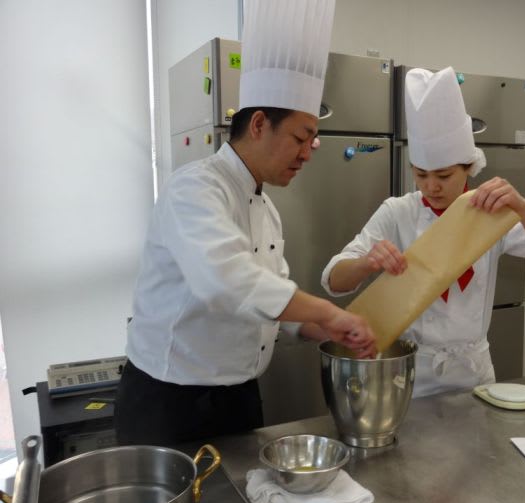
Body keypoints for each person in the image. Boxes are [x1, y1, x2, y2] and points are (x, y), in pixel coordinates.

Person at [115, 0, 375, 446]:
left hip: (239, 398)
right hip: (170, 402)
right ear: (258, 124)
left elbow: (270, 307)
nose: (307, 153)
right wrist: (327, 311)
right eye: (300, 137)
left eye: (313, 141)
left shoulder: (266, 209)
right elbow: (226, 280)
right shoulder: (194, 188)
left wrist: (327, 330)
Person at [321, 67, 525, 398]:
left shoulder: (490, 212)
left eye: (443, 175)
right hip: (409, 374)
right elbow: (335, 280)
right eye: (421, 174)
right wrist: (365, 263)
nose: (431, 186)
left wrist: (522, 208)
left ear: (469, 167)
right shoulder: (398, 212)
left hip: (474, 373)